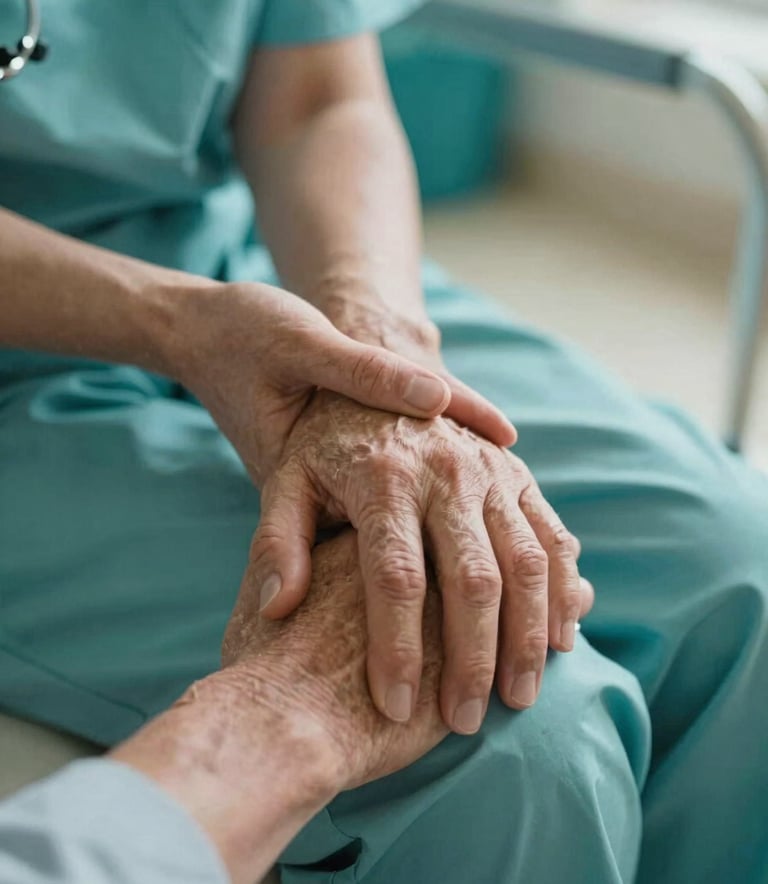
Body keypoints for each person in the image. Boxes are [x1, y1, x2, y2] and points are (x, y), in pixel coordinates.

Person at [0, 1, 766, 882]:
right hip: (45, 362)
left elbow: (320, 96)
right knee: (513, 731)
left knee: (743, 571)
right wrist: (183, 325)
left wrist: (373, 354)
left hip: (267, 275)